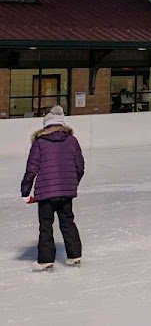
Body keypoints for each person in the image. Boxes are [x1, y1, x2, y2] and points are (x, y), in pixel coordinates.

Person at [20, 106, 85, 270]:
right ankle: (74, 255)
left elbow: (31, 169)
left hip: (45, 193)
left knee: (46, 224)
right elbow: (80, 167)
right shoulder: (72, 140)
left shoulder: (39, 143)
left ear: (46, 126)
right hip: (66, 192)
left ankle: (46, 260)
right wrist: (71, 184)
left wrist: (25, 192)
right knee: (67, 221)